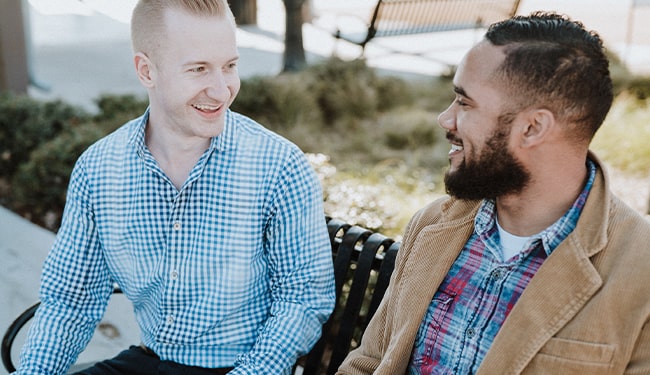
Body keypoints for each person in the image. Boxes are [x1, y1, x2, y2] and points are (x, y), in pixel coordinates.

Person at [16, 0, 335, 374]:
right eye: (198, 69)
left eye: (230, 66)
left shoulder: (279, 165)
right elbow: (71, 300)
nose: (221, 90)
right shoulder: (99, 169)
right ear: (146, 70)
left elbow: (303, 299)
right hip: (148, 361)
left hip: (243, 367)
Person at [337, 11, 650, 375]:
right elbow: (369, 361)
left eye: (464, 103)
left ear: (532, 128)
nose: (445, 119)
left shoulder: (640, 270)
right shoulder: (434, 223)